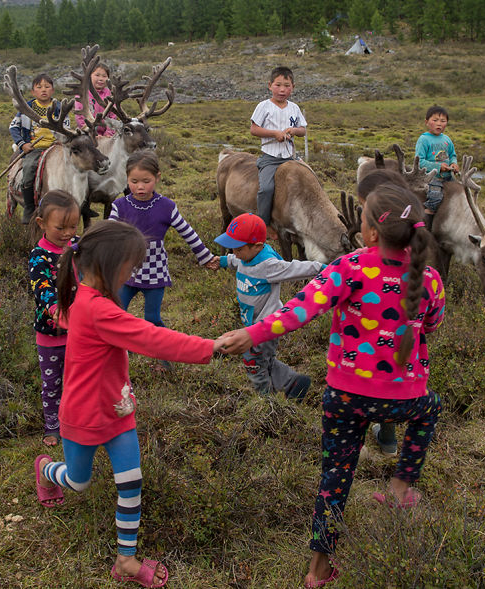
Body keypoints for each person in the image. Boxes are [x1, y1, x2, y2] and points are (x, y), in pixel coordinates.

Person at [218, 184, 446, 588]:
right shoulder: (429, 278)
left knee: (334, 481)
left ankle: (318, 569)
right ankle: (401, 484)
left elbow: (300, 309)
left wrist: (254, 333)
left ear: (372, 233)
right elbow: (432, 323)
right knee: (431, 409)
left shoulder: (351, 267)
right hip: (405, 399)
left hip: (346, 399)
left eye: (360, 219)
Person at [33, 220, 227, 588]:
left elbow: (68, 316)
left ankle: (125, 560)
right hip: (83, 416)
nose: (134, 271)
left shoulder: (92, 299)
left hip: (118, 410)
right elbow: (150, 338)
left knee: (131, 483)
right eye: (131, 264)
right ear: (110, 266)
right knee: (78, 482)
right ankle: (45, 469)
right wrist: (209, 346)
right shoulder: (98, 309)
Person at [110, 150, 217, 369]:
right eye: (134, 181)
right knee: (116, 314)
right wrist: (80, 250)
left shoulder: (166, 207)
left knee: (153, 319)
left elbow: (188, 233)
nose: (140, 187)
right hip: (125, 271)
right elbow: (106, 233)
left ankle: (164, 360)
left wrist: (205, 257)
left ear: (158, 177)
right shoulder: (119, 206)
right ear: (127, 178)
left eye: (146, 181)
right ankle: (113, 356)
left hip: (155, 272)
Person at [214, 213, 323, 401]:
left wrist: (323, 268)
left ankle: (265, 403)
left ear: (256, 246)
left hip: (265, 326)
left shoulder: (268, 265)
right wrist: (223, 261)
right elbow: (237, 261)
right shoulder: (245, 256)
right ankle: (293, 383)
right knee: (265, 360)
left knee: (253, 364)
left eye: (238, 249)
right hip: (252, 323)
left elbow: (296, 268)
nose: (234, 253)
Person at [355, 170, 412, 458]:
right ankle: (388, 441)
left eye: (365, 209)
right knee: (391, 380)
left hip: (368, 340)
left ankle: (361, 443)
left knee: (364, 384)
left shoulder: (360, 263)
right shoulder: (415, 251)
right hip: (402, 343)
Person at [28, 190, 80, 447]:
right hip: (50, 333)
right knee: (51, 384)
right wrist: (55, 310)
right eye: (61, 227)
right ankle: (52, 426)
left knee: (77, 379)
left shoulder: (79, 246)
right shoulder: (40, 256)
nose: (68, 233)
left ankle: (75, 420)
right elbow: (41, 287)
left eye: (73, 226)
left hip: (79, 330)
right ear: (42, 224)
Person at [250, 66, 306, 227]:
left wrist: (294, 130)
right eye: (278, 85)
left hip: (291, 157)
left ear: (293, 87)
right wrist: (275, 134)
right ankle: (264, 225)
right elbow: (254, 129)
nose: (282, 90)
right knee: (266, 190)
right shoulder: (264, 106)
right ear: (270, 85)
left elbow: (303, 130)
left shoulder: (294, 108)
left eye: (287, 86)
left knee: (311, 181)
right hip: (271, 158)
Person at [9, 73, 67, 224]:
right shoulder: (26, 107)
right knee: (28, 170)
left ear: (53, 90)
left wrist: (62, 140)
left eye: (47, 87)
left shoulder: (59, 107)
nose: (43, 90)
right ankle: (29, 206)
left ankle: (79, 203)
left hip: (56, 147)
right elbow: (13, 127)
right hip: (35, 148)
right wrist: (23, 144)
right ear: (33, 91)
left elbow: (66, 127)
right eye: (39, 87)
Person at [415, 105, 459, 227]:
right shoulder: (424, 140)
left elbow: (452, 155)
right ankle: (426, 224)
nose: (439, 124)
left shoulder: (447, 139)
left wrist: (454, 164)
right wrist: (438, 167)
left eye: (443, 121)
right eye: (435, 120)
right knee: (435, 198)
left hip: (448, 176)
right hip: (431, 178)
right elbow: (419, 161)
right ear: (426, 122)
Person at [74, 61, 117, 138]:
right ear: (89, 76)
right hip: (86, 133)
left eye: (104, 76)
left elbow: (113, 117)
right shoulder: (82, 93)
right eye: (97, 75)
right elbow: (79, 116)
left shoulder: (110, 94)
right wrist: (91, 132)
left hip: (106, 136)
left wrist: (107, 134)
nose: (100, 79)